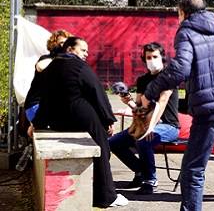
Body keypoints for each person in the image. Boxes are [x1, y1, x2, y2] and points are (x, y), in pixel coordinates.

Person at [143, 0, 214, 211]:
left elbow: (180, 69)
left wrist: (151, 91)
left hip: (207, 110)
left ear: (183, 12)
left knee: (193, 169)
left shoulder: (186, 32)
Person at [32, 37, 128, 208]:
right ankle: (106, 196)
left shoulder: (52, 67)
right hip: (84, 118)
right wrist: (107, 120)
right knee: (102, 150)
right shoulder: (78, 66)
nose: (86, 54)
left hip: (58, 122)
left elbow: (45, 98)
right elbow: (96, 91)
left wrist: (37, 123)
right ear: (70, 49)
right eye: (83, 50)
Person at [109, 42, 180, 195]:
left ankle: (150, 180)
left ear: (162, 57)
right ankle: (141, 171)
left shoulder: (169, 78)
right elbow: (139, 108)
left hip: (168, 126)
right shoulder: (142, 80)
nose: (152, 60)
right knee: (113, 143)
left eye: (155, 56)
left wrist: (150, 127)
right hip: (144, 124)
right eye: (148, 57)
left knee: (144, 139)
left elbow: (161, 104)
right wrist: (129, 101)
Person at [24, 29, 72, 135]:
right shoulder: (47, 58)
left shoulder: (69, 63)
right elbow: (40, 66)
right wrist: (58, 59)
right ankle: (35, 125)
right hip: (36, 106)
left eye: (67, 43)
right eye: (61, 43)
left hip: (51, 107)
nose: (64, 46)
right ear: (54, 45)